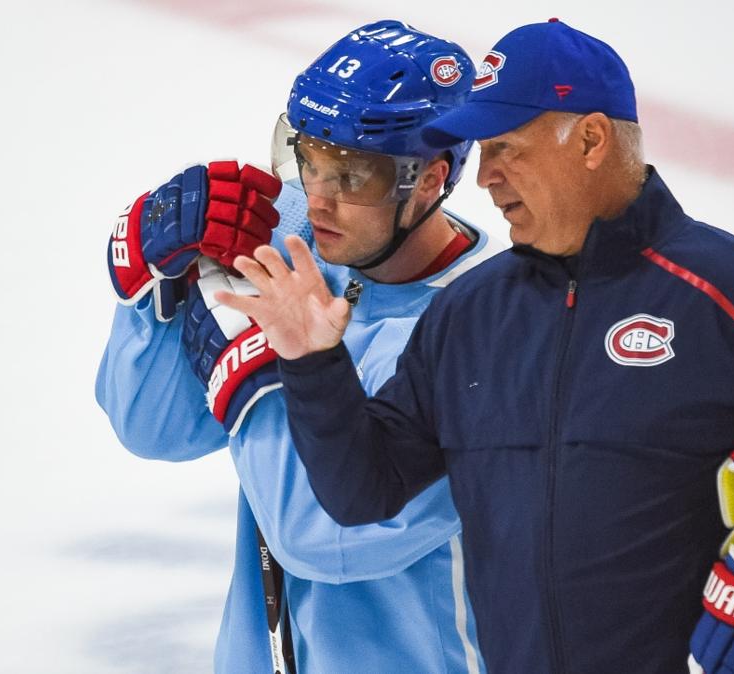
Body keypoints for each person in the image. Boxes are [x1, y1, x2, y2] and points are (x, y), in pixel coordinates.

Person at [220, 19, 734, 674]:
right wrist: (312, 362)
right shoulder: (471, 313)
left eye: (507, 148)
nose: (488, 174)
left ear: (592, 140)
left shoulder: (726, 291)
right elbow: (362, 491)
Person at [95, 20, 495, 674]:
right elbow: (153, 428)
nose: (316, 196)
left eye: (353, 175)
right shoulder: (296, 239)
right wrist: (154, 288)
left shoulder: (485, 332)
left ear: (429, 179)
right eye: (307, 155)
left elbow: (332, 540)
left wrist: (256, 376)